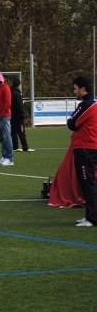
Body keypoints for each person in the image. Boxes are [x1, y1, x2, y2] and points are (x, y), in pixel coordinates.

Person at [68, 76, 97, 227]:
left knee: (88, 183)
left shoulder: (87, 104)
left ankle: (92, 218)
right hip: (89, 147)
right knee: (88, 183)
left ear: (82, 89)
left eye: (75, 89)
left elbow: (72, 123)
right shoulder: (91, 104)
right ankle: (90, 215)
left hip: (86, 148)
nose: (74, 92)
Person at [0, 72, 13, 166]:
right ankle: (4, 156)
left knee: (7, 137)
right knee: (1, 138)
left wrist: (3, 113)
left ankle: (9, 158)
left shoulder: (5, 88)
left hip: (4, 117)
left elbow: (8, 102)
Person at [11, 79, 34, 152]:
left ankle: (15, 147)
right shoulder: (17, 94)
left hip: (12, 116)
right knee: (21, 132)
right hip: (18, 117)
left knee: (13, 132)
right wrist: (22, 115)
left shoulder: (10, 92)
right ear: (19, 85)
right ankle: (25, 147)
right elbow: (20, 106)